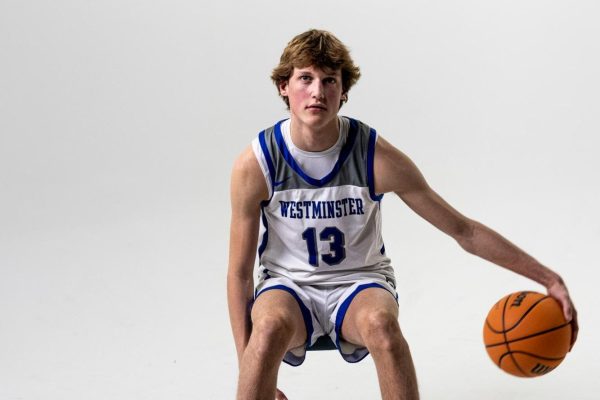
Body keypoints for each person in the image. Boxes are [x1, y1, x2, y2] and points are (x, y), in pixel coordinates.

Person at [227, 29, 578, 400]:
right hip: (288, 284)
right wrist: (249, 365)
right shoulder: (257, 163)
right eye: (306, 78)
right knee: (265, 331)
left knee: (382, 326)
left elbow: (463, 230)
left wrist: (549, 278)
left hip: (358, 282)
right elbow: (238, 276)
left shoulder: (373, 156)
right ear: (284, 85)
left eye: (330, 80)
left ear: (343, 91)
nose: (318, 91)